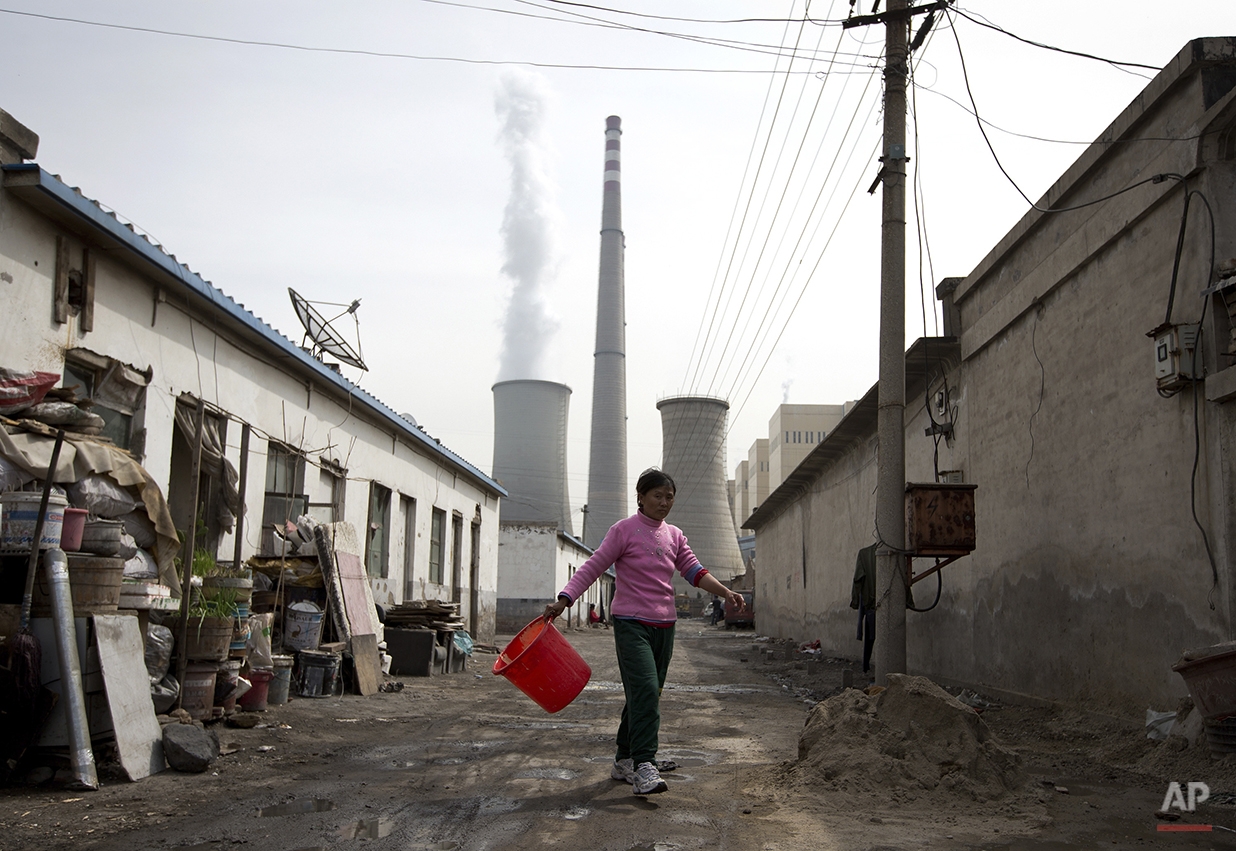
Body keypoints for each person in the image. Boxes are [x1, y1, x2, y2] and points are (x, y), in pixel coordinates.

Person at [543, 467, 745, 796]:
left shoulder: (675, 535)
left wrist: (725, 592)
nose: (664, 502)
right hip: (630, 623)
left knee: (644, 694)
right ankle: (644, 765)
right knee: (647, 690)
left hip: (665, 625)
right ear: (640, 496)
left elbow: (695, 571)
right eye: (657, 496)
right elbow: (594, 565)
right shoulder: (623, 531)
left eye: (669, 497)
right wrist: (565, 599)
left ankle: (624, 758)